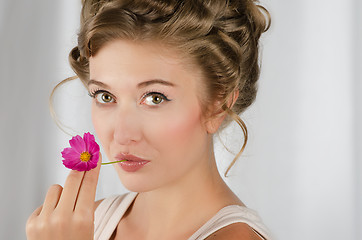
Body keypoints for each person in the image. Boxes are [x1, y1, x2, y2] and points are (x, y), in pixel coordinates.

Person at [26, 0, 271, 239]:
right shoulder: (85, 223)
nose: (122, 134)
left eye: (154, 98)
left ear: (219, 105)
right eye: (105, 96)